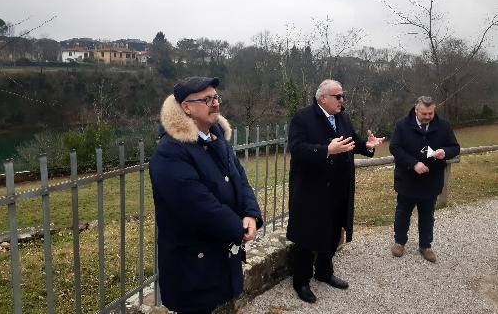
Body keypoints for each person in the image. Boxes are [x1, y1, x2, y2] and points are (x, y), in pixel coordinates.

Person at [149, 76, 263, 314]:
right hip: (192, 264)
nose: (215, 103)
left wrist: (251, 214)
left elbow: (240, 180)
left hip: (220, 254)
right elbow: (197, 205)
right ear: (186, 107)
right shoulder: (170, 150)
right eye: (206, 99)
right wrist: (237, 228)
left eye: (215, 97)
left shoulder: (217, 138)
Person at [286, 79, 385, 303]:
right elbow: (297, 149)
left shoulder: (342, 117)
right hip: (312, 190)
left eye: (343, 96)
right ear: (323, 98)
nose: (342, 101)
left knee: (332, 232)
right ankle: (301, 281)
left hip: (339, 188)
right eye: (338, 96)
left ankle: (324, 271)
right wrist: (325, 151)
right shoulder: (303, 117)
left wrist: (367, 145)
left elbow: (354, 142)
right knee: (307, 237)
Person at [390, 96, 460, 263]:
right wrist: (413, 163)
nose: (428, 116)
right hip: (407, 179)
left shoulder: (443, 126)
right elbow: (395, 147)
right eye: (424, 113)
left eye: (431, 113)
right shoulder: (402, 125)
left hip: (432, 180)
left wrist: (445, 152)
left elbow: (455, 147)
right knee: (403, 213)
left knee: (428, 215)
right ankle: (399, 242)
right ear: (416, 110)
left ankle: (425, 246)